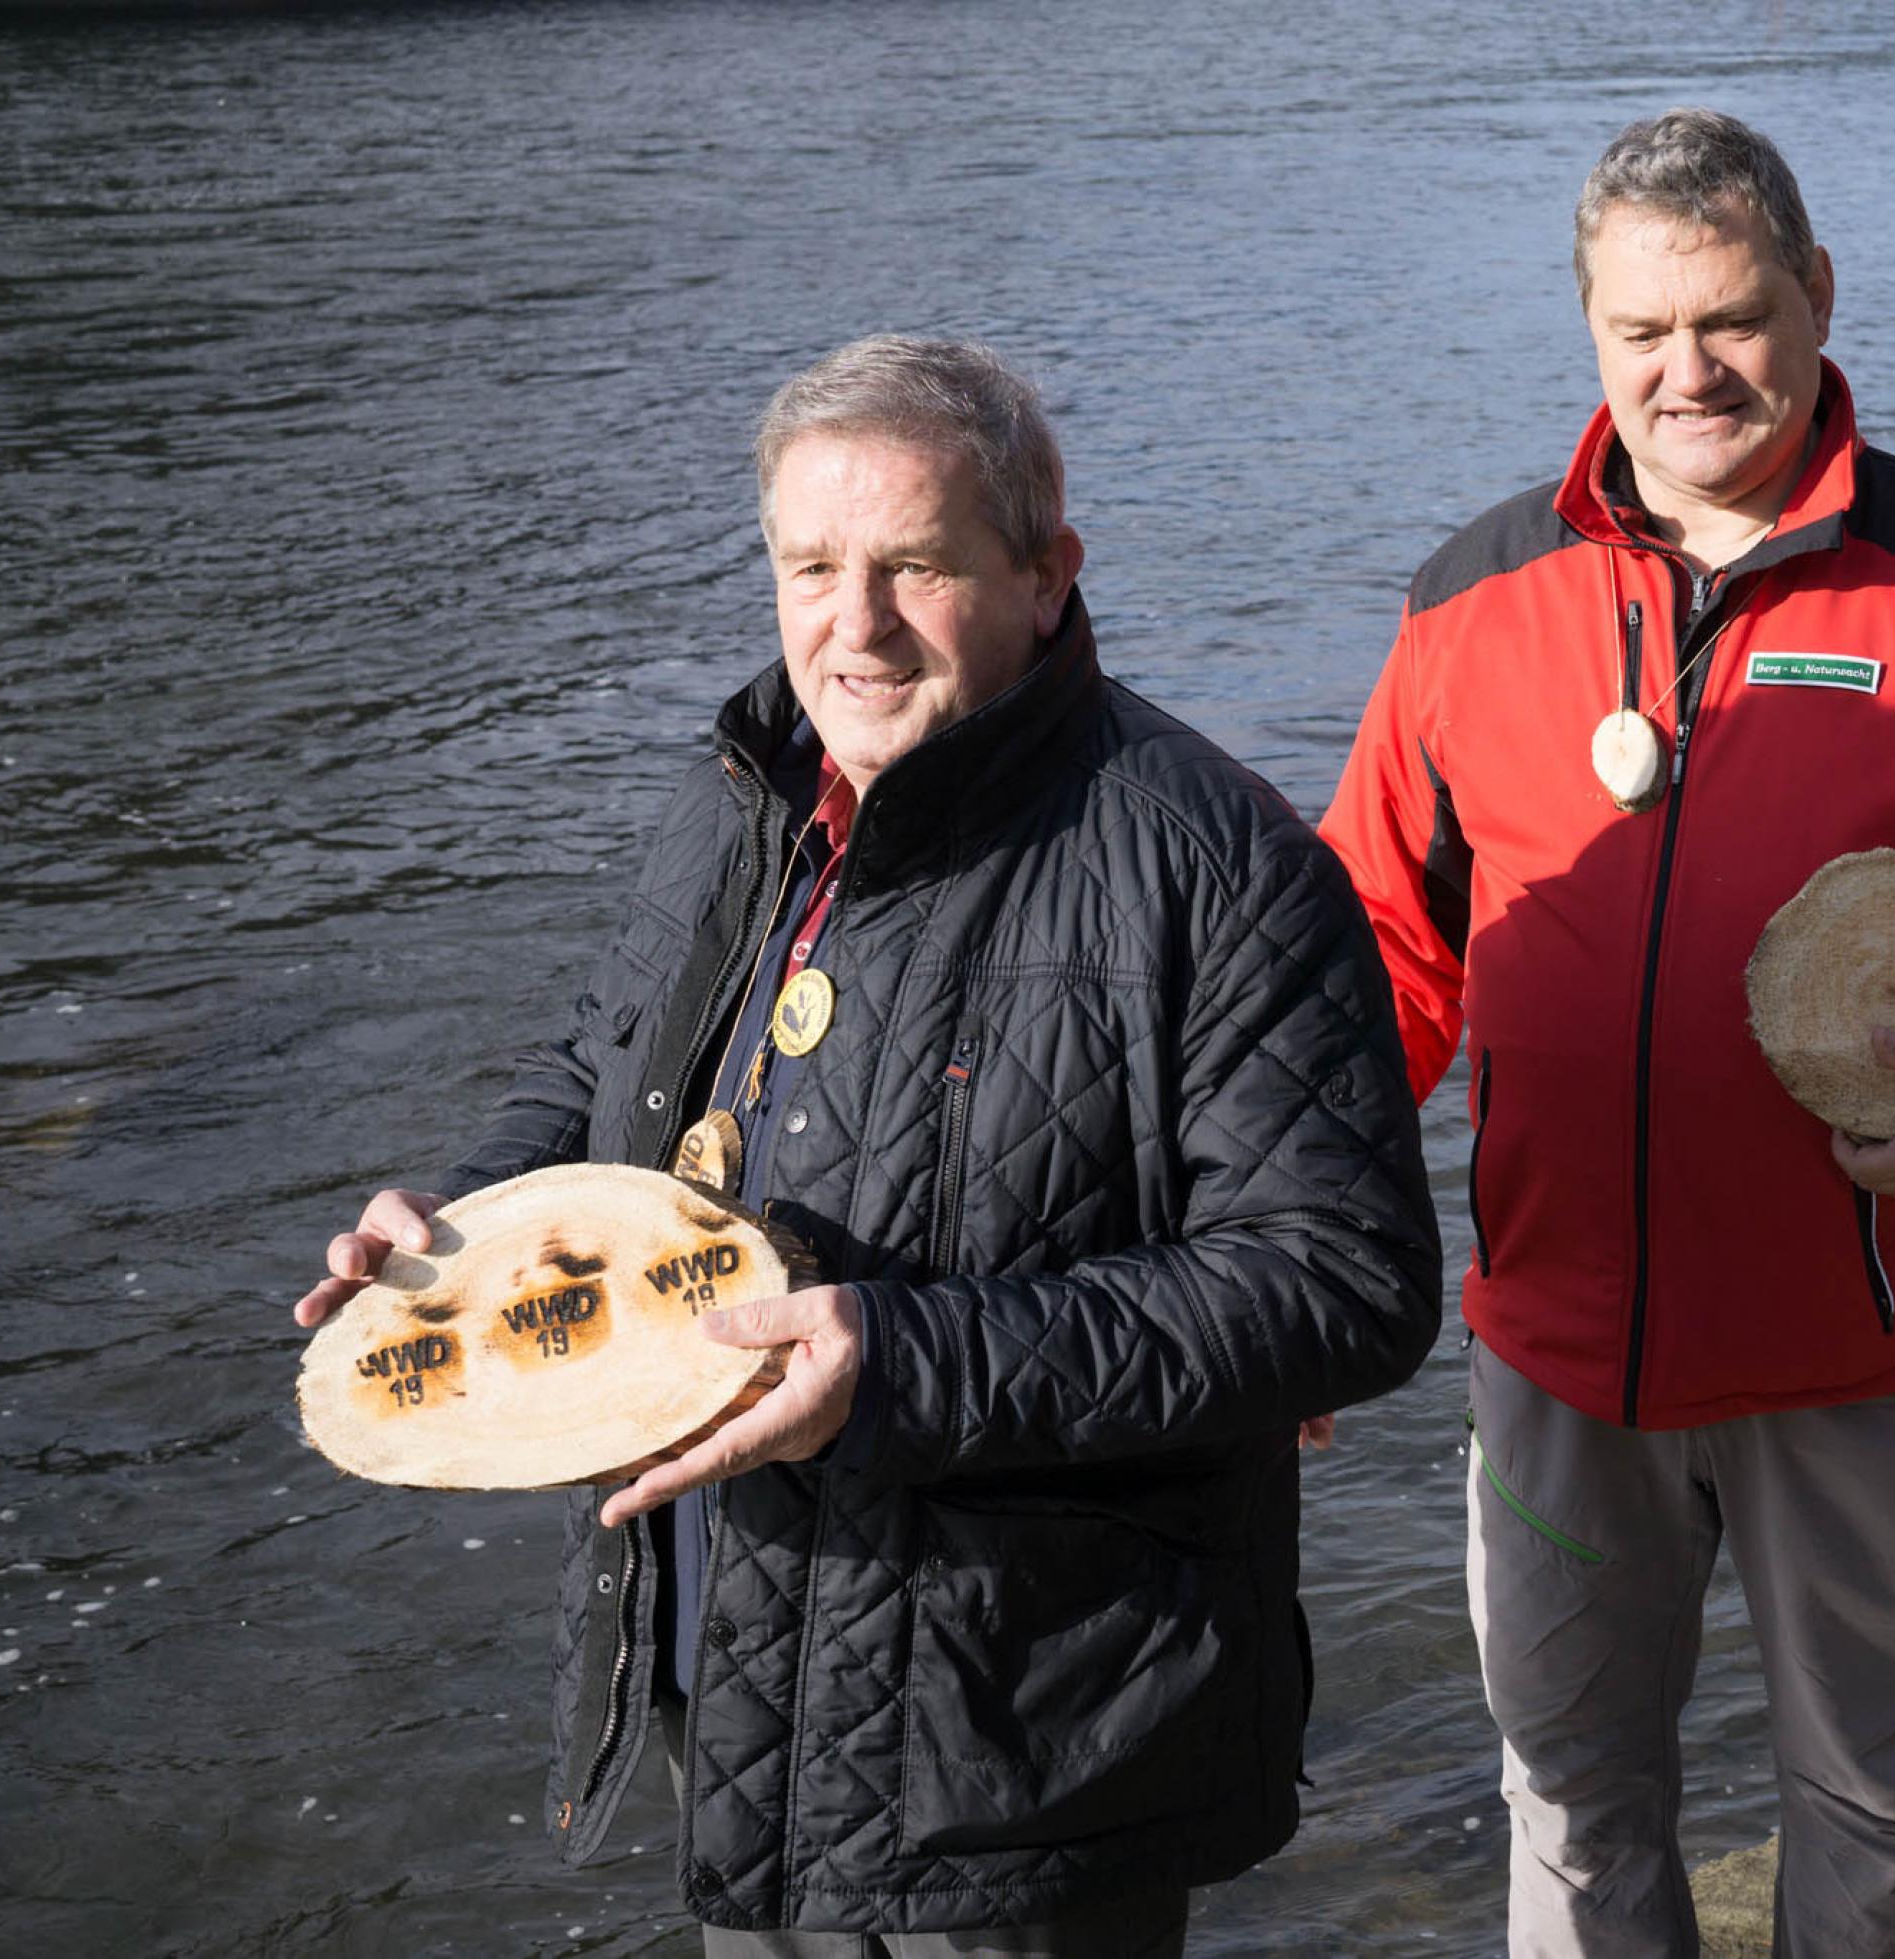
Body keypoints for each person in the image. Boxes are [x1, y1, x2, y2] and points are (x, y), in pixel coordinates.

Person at [291, 335, 1440, 1956]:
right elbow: (600, 1069)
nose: (853, 625)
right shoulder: (732, 805)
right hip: (731, 1662)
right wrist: (463, 1235)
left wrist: (899, 1360)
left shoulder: (1223, 866)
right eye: (811, 566)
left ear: (1049, 575)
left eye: (914, 566)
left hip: (1031, 1738)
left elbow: (1344, 1285)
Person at [1319, 110, 1895, 1957]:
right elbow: (1375, 962)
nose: (1690, 373)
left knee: (1874, 1801)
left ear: (1819, 297)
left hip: (1872, 1339)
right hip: (1559, 1352)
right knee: (1572, 1795)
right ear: (1590, 332)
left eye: (1732, 318)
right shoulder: (1468, 602)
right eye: (1641, 333)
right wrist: (1305, 1269)